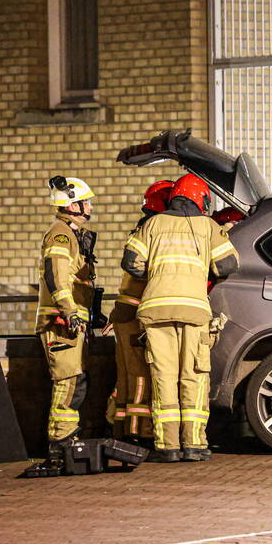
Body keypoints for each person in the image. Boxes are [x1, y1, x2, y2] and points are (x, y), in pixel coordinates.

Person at [122, 174, 239, 462]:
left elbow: (130, 263)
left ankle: (168, 446)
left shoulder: (152, 224)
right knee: (194, 376)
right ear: (200, 198)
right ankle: (195, 445)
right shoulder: (207, 226)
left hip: (156, 309)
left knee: (163, 377)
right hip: (193, 311)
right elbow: (228, 264)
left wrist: (158, 275)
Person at [33, 175, 97, 473]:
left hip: (71, 322)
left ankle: (65, 441)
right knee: (68, 382)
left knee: (75, 381)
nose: (90, 206)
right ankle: (61, 444)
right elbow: (57, 276)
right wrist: (70, 311)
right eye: (86, 202)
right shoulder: (60, 234)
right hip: (61, 323)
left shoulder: (71, 234)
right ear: (72, 204)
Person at [106, 180, 174, 445]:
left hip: (125, 314)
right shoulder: (152, 231)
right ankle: (139, 432)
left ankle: (122, 428)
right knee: (141, 376)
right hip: (136, 317)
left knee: (126, 376)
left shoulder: (141, 230)